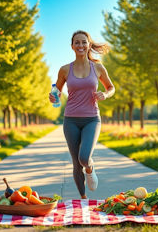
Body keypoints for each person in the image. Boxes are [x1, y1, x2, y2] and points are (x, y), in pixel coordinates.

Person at [49, 30, 115, 199]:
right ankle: (83, 199)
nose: (81, 45)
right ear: (72, 46)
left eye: (84, 42)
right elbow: (56, 91)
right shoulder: (64, 70)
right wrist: (52, 96)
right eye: (77, 42)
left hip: (92, 119)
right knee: (75, 163)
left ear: (89, 45)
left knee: (84, 158)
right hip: (70, 120)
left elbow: (110, 87)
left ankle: (90, 168)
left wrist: (105, 95)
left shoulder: (98, 67)